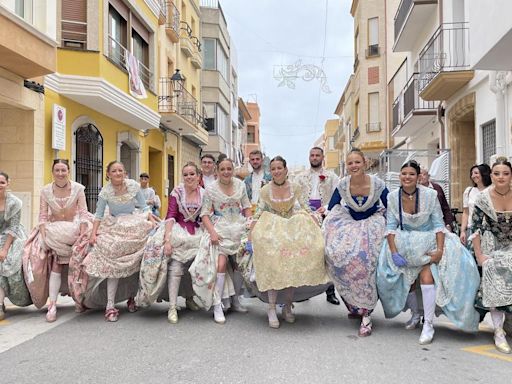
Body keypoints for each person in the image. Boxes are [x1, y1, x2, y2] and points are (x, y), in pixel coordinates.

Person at [377, 160, 480, 345]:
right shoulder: (392, 197)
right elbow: (391, 226)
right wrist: (393, 252)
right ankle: (416, 315)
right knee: (406, 281)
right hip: (404, 243)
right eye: (403, 174)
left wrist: (440, 250)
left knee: (427, 277)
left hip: (429, 241)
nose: (407, 177)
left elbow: (438, 225)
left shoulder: (431, 195)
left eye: (411, 174)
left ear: (418, 177)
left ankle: (429, 324)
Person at [244, 156, 329, 328]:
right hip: (273, 229)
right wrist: (250, 235)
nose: (276, 171)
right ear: (271, 171)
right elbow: (259, 212)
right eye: (273, 168)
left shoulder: (296, 187)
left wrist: (314, 223)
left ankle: (288, 307)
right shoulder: (265, 190)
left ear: (285, 169)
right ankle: (272, 308)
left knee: (291, 267)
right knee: (273, 266)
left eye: (279, 168)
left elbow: (305, 207)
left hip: (290, 229)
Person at [69, 161, 154, 322]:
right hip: (115, 225)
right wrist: (93, 234)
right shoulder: (105, 192)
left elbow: (144, 207)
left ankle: (132, 297)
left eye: (120, 170)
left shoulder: (134, 186)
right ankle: (109, 305)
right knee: (113, 263)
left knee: (134, 263)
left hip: (133, 224)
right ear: (108, 174)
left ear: (125, 172)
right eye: (114, 171)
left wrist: (151, 220)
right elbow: (99, 214)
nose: (118, 173)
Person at [323, 149, 388, 336]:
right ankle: (354, 305)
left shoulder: (378, 184)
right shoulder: (343, 185)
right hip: (350, 225)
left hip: (371, 226)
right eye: (350, 163)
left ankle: (366, 313)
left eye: (357, 162)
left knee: (367, 262)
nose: (354, 166)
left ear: (365, 163)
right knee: (337, 256)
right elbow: (332, 206)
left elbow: (390, 204)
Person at [23, 159, 91, 322]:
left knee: (80, 262)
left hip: (74, 229)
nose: (60, 173)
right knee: (53, 261)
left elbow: (83, 213)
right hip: (53, 230)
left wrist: (82, 235)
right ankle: (52, 304)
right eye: (57, 170)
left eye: (63, 170)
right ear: (52, 172)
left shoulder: (78, 189)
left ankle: (80, 299)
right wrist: (45, 236)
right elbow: (43, 215)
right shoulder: (46, 191)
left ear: (69, 171)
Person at [136, 162, 203, 323]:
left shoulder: (204, 194)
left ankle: (189, 297)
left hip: (197, 232)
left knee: (192, 266)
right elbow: (171, 215)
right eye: (185, 174)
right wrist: (167, 239)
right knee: (176, 265)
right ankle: (172, 306)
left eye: (192, 174)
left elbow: (206, 215)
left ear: (198, 176)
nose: (188, 177)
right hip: (177, 230)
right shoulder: (177, 192)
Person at [189, 158, 252, 324]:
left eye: (229, 169)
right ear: (217, 171)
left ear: (233, 170)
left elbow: (246, 207)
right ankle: (217, 305)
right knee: (221, 265)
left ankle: (236, 300)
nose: (226, 172)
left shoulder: (241, 185)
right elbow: (204, 214)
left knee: (240, 264)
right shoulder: (210, 189)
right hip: (221, 229)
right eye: (222, 169)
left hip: (238, 227)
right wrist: (213, 233)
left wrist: (249, 227)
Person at [472, 157, 512, 354]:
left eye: (505, 173)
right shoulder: (482, 198)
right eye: (497, 173)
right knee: (493, 268)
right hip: (491, 244)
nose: (501, 177)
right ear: (492, 175)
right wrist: (480, 255)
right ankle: (498, 330)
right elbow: (476, 228)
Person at [295, 146, 339, 305]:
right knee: (305, 252)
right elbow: (295, 197)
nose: (314, 158)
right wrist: (304, 211)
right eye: (312, 155)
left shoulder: (332, 176)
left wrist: (326, 208)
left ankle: (330, 292)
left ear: (322, 157)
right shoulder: (300, 177)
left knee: (327, 251)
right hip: (306, 217)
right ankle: (304, 291)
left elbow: (337, 197)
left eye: (317, 155)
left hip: (325, 216)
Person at [0, 172, 31, 320]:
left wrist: (5, 249)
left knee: (7, 261)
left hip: (12, 236)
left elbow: (13, 227)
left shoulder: (15, 202)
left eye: (2, 182)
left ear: (7, 183)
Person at [460, 164, 492, 246]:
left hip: (490, 230)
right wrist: (463, 231)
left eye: (476, 173)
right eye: (472, 174)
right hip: (472, 229)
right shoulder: (469, 191)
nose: (473, 176)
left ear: (484, 173)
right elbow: (466, 212)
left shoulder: (492, 190)